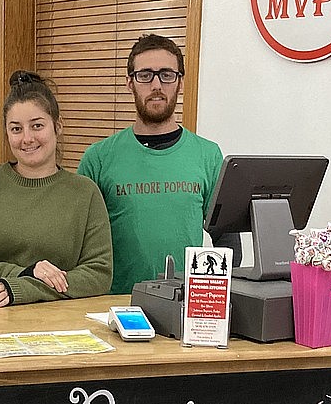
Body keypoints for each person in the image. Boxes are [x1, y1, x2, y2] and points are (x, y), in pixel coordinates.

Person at [0, 71, 112, 307]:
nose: (27, 138)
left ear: (57, 127)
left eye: (37, 125)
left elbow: (98, 275)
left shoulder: (85, 193)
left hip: (55, 328)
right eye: (16, 129)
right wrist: (23, 272)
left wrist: (25, 287)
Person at [77, 33, 223, 294]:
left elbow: (227, 239)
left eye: (166, 74)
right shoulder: (97, 159)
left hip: (185, 305)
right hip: (116, 305)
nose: (156, 84)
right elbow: (79, 245)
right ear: (129, 82)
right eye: (145, 75)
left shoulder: (209, 156)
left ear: (180, 81)